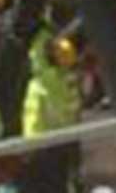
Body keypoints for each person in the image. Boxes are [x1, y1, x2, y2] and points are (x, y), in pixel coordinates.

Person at [20, 32, 81, 193]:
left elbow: (37, 54)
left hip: (40, 143)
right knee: (60, 182)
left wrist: (41, 32)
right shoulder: (68, 80)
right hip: (61, 140)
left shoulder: (47, 80)